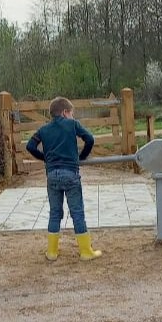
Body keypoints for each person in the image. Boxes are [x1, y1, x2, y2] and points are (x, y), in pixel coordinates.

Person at [26, 97, 100, 261]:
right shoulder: (72, 124)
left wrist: (45, 157)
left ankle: (52, 252)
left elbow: (30, 146)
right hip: (70, 173)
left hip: (52, 175)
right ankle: (86, 251)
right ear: (65, 112)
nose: (72, 116)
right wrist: (81, 157)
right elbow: (90, 139)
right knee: (77, 212)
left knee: (55, 212)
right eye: (71, 113)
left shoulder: (43, 129)